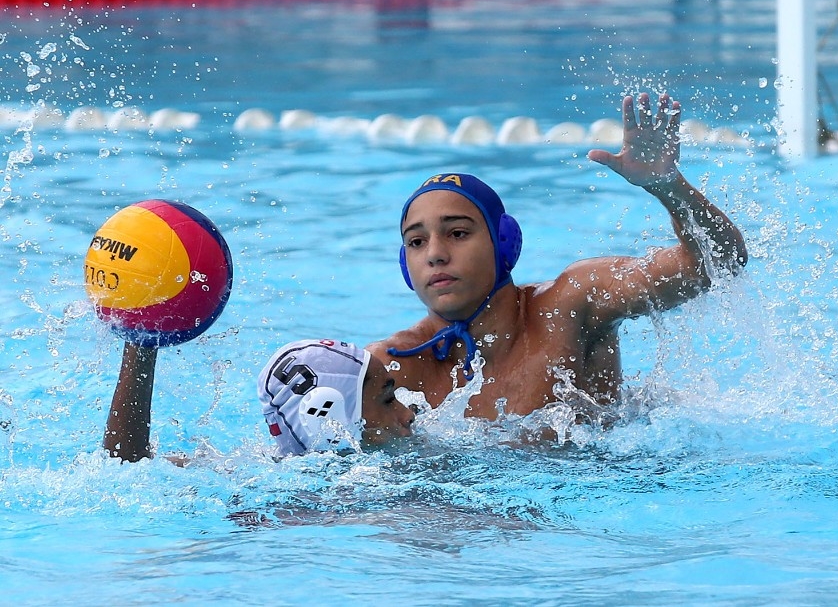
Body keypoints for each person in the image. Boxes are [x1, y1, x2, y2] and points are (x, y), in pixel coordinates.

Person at [368, 91, 749, 419]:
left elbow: (717, 264)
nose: (434, 254)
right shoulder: (389, 369)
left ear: (504, 243)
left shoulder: (571, 307)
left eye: (457, 233)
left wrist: (669, 187)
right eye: (416, 242)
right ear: (405, 264)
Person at [104, 338, 416, 463]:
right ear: (327, 417)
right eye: (388, 400)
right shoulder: (254, 478)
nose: (409, 414)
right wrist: (141, 344)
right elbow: (126, 467)